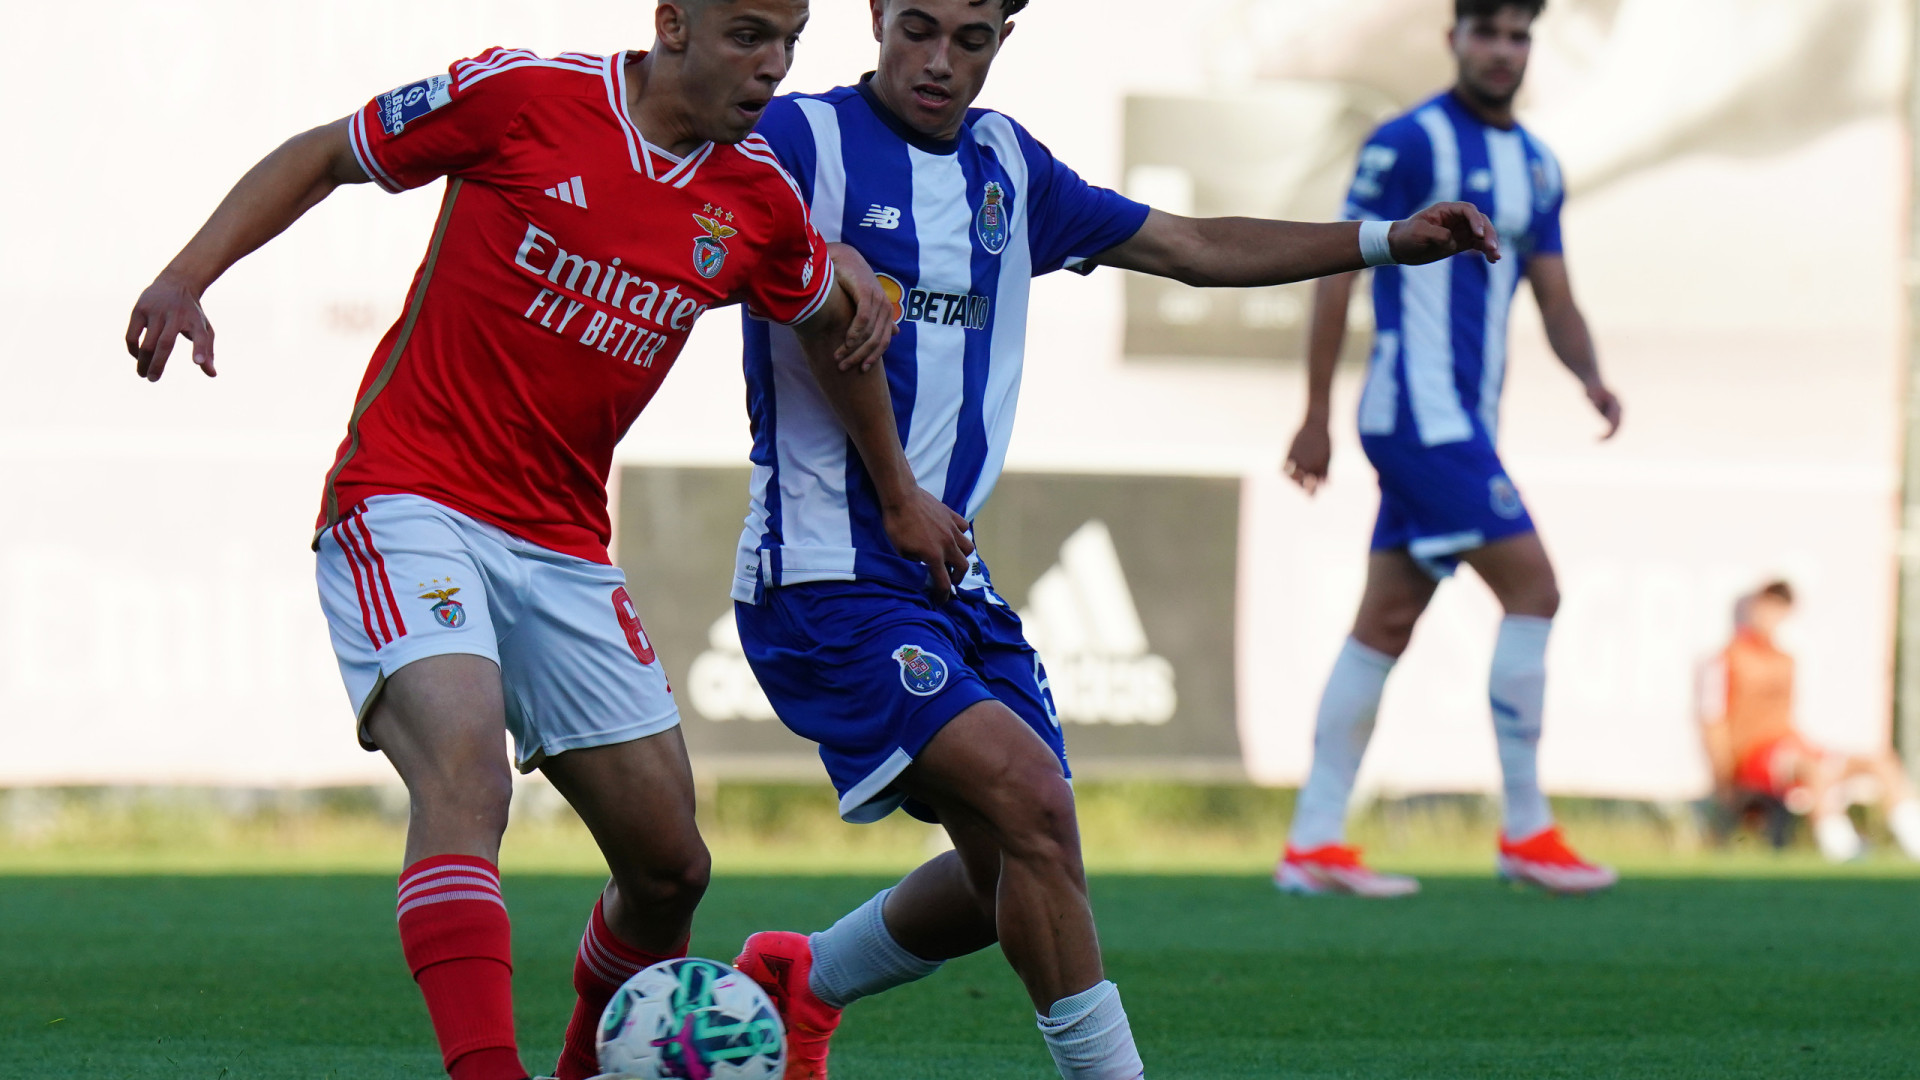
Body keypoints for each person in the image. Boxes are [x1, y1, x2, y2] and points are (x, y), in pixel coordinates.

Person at [119, 4, 942, 1079]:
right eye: (749, 33)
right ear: (674, 23)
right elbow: (328, 152)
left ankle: (582, 1069)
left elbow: (835, 331)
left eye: (789, 36)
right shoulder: (525, 98)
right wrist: (187, 276)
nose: (774, 65)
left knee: (669, 870)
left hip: (561, 544)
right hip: (410, 500)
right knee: (466, 781)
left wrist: (896, 482)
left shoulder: (755, 201)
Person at [717, 1, 1501, 1076]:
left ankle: (803, 977)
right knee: (1033, 806)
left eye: (971, 40)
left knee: (1017, 868)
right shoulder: (803, 143)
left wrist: (1382, 242)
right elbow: (726, 229)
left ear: (1002, 41)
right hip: (824, 573)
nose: (939, 62)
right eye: (917, 29)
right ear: (874, 18)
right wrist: (890, 473)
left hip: (947, 572)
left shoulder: (1005, 165)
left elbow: (1189, 244)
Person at [1277, 0, 1624, 899]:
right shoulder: (1408, 141)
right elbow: (1338, 267)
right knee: (1535, 588)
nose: (1503, 50)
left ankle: (1313, 842)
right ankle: (1526, 828)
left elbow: (1555, 297)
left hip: (1461, 424)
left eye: (1518, 35)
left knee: (1385, 622)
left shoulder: (1537, 166)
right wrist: (1314, 412)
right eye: (1488, 32)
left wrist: (1589, 374)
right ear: (1455, 39)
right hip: (1416, 419)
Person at [1701, 581, 1920, 863]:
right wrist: (1724, 778)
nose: (1771, 616)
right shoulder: (1727, 658)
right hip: (1753, 758)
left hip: (1791, 747)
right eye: (1767, 608)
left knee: (1880, 761)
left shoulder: (1787, 658)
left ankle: (1915, 841)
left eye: (1778, 610)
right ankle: (1842, 850)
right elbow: (1713, 722)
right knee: (1813, 768)